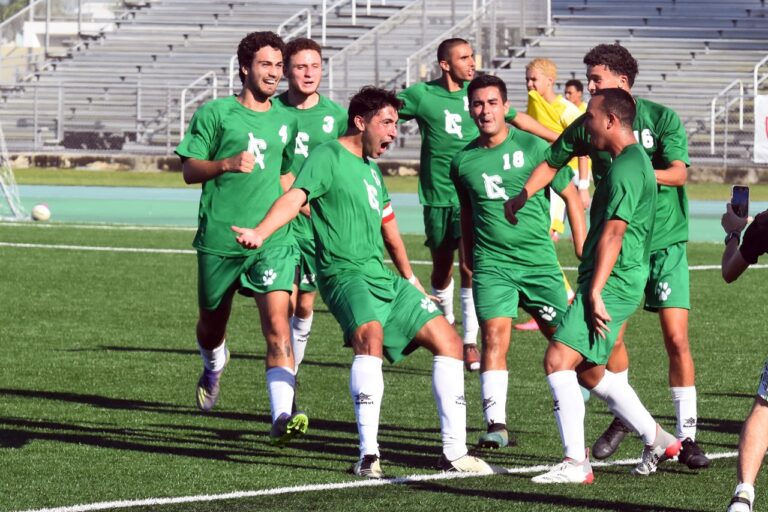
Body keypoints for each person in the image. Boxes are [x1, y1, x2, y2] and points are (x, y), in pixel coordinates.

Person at [231, 86, 497, 478]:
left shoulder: (372, 170)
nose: (393, 132)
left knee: (450, 343)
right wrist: (261, 231)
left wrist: (409, 278)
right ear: (360, 122)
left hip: (384, 279)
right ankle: (368, 455)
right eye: (387, 123)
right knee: (368, 337)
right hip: (344, 275)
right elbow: (295, 197)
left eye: (395, 124)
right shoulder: (328, 155)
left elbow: (389, 227)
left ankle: (454, 453)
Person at [517, 43, 709, 469]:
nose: (588, 87)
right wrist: (523, 194)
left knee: (676, 338)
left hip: (663, 241)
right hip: (617, 248)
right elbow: (554, 158)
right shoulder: (593, 123)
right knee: (604, 349)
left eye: (595, 80)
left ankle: (687, 435)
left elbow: (678, 172)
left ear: (621, 82)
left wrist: (638, 170)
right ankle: (632, 422)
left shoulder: (658, 119)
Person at [175, 31, 308, 447]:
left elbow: (286, 175)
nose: (274, 72)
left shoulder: (287, 119)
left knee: (278, 327)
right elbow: (189, 170)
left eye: (278, 65)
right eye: (266, 64)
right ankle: (214, 362)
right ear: (245, 67)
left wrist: (308, 208)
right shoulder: (215, 113)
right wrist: (225, 164)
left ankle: (282, 415)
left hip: (272, 238)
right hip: (220, 238)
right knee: (212, 325)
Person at [397, 38, 559, 371]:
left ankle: (469, 341)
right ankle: (444, 317)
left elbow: (520, 121)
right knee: (442, 269)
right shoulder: (421, 96)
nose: (472, 62)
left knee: (472, 267)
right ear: (445, 64)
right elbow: (384, 114)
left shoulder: (485, 95)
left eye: (472, 56)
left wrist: (558, 140)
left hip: (481, 196)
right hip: (440, 195)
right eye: (464, 58)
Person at [451, 74, 586, 449]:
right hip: (492, 264)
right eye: (477, 104)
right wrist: (468, 256)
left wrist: (580, 246)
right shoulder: (462, 161)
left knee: (567, 343)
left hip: (539, 265)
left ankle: (594, 400)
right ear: (469, 109)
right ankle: (497, 424)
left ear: (505, 107)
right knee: (494, 336)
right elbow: (466, 212)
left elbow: (572, 197)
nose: (484, 110)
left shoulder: (533, 148)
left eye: (492, 103)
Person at [274, 37, 348, 374]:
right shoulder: (273, 112)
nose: (308, 73)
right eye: (301, 66)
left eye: (315, 66)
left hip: (318, 224)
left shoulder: (337, 117)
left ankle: (294, 366)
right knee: (283, 303)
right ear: (286, 70)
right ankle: (286, 378)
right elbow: (273, 166)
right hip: (282, 221)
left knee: (305, 304)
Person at [722, 206, 768, 512]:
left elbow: (729, 271)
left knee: (765, 409)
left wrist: (734, 232)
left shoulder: (766, 222)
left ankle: (743, 495)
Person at [525, 58, 590, 231]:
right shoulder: (533, 103)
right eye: (527, 80)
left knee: (548, 231)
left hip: (557, 176)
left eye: (534, 80)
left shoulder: (566, 110)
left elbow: (583, 149)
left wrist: (583, 187)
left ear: (549, 81)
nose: (529, 84)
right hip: (533, 174)